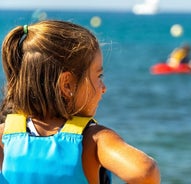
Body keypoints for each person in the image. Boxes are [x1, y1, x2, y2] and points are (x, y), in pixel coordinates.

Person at [0, 20, 160, 184]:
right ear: (67, 84)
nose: (103, 88)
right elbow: (145, 171)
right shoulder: (93, 139)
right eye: (99, 77)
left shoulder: (4, 135)